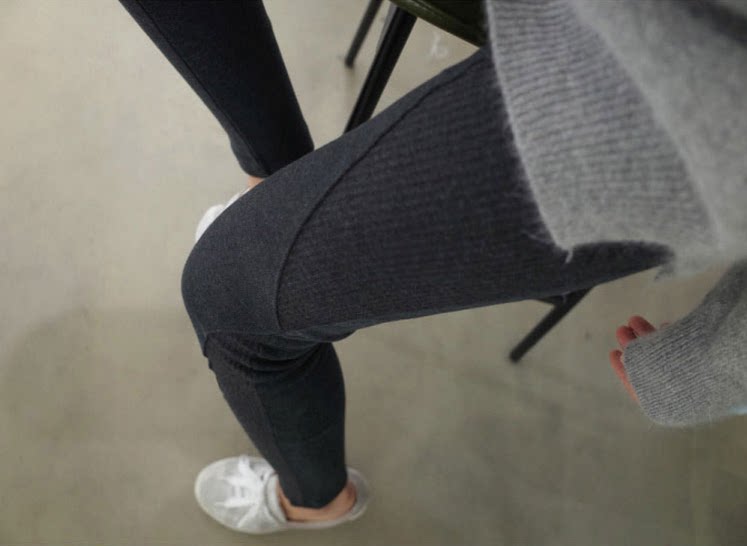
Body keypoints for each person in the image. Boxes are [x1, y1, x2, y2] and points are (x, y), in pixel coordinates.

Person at [117, 0, 747, 535]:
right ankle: (277, 184)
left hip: (675, 84)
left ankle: (316, 498)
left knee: (229, 298)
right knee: (252, 265)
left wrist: (714, 368)